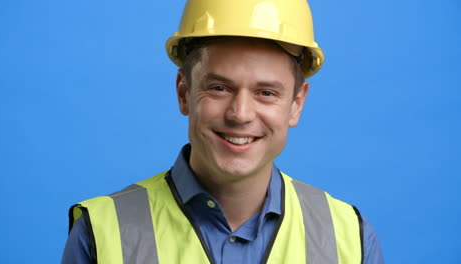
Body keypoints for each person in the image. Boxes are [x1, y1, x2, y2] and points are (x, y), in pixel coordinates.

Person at [62, 0, 384, 263]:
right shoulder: (101, 235)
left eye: (266, 93)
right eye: (219, 87)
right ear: (184, 92)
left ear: (297, 104)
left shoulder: (350, 241)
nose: (240, 114)